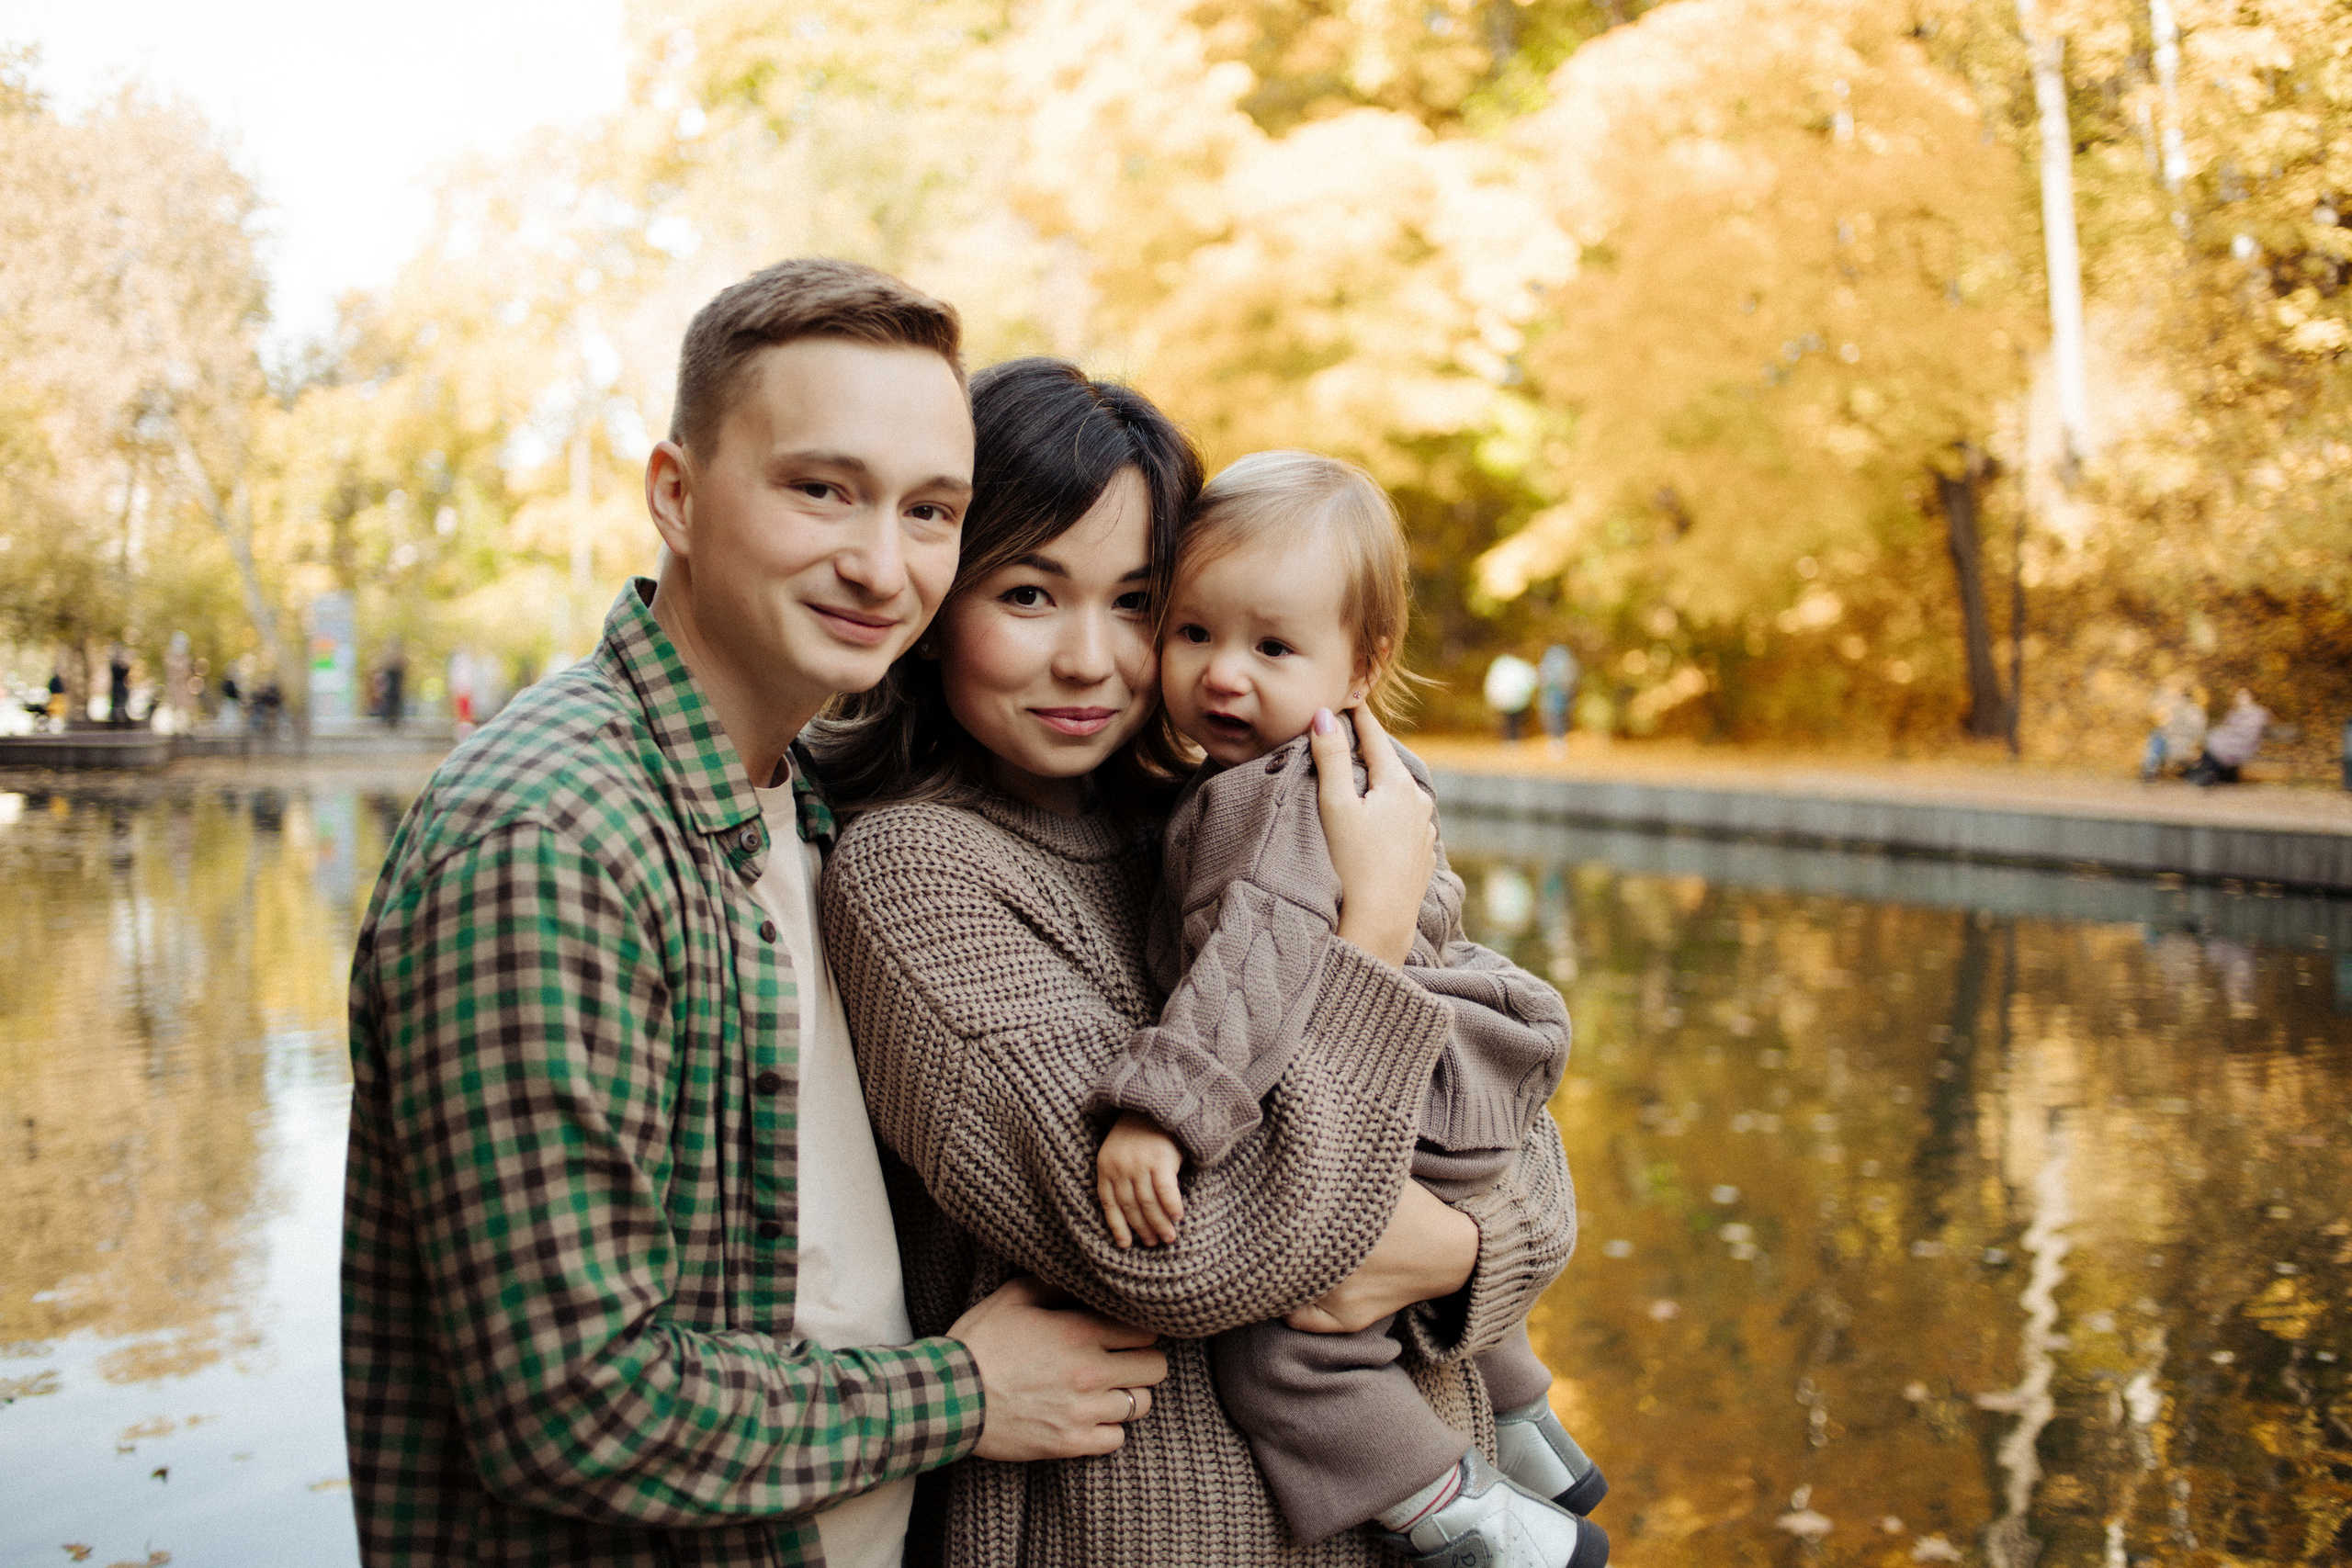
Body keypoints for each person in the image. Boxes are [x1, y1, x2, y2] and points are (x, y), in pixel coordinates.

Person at [342, 262, 1168, 1568]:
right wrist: (963, 1392)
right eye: (820, 488)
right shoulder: (556, 836)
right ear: (675, 494)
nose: (879, 561)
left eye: (930, 509)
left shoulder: (801, 802)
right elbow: (572, 1405)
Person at [817, 359, 1580, 1568]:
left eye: (1135, 602)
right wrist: (1367, 937)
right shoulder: (917, 875)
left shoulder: (1229, 807)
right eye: (1027, 593)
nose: (1091, 660)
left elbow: (1499, 1106)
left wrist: (1473, 1245)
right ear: (939, 598)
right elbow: (1190, 1250)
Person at [1088, 450, 1605, 1568]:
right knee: (1408, 1253)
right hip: (1455, 1068)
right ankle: (1526, 1426)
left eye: (1272, 648)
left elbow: (1256, 968)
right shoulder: (1347, 773)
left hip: (1402, 1077)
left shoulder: (1272, 801)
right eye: (1193, 635)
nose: (1225, 676)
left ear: (1360, 665)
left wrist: (1160, 1112)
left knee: (1284, 1351)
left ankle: (1459, 1513)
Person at [2185, 687, 2276, 786]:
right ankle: (2211, 773)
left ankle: (2209, 773)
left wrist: (2232, 732)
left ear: (2251, 697)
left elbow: (2251, 733)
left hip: (2246, 744)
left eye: (2244, 695)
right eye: (2239, 695)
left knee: (2216, 743)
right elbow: (2226, 726)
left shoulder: (2258, 713)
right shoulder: (2235, 711)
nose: (2241, 698)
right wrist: (2226, 732)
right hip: (2230, 740)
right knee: (2212, 739)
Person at [2139, 682, 2207, 782]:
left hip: (2177, 744)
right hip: (2189, 745)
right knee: (2158, 736)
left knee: (2157, 737)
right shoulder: (2198, 711)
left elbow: (2167, 728)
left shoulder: (2176, 709)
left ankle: (2150, 768)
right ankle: (2151, 768)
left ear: (2181, 696)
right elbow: (2201, 732)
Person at [1486, 652, 1538, 743]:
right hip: (1517, 699)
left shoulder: (1501, 664)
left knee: (1509, 720)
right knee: (1513, 720)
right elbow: (1532, 679)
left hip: (1505, 698)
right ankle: (1513, 739)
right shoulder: (1520, 665)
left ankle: (1511, 740)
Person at [1536, 644, 1579, 755]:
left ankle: (1556, 743)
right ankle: (1560, 743)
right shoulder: (1566, 662)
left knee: (1553, 720)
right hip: (1562, 698)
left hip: (1551, 698)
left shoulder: (1548, 663)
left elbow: (1542, 681)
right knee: (1560, 720)